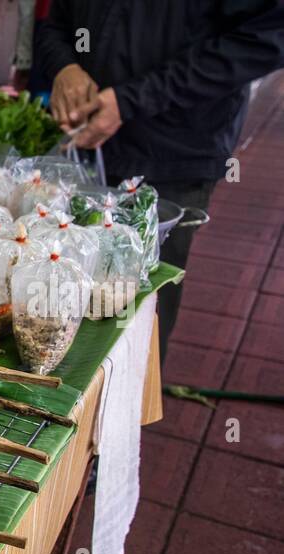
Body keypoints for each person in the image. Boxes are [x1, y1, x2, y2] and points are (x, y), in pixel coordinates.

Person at [36, 0, 284, 360]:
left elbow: (267, 39)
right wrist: (65, 65)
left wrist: (130, 101)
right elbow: (59, 21)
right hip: (88, 149)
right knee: (55, 300)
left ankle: (130, 415)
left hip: (172, 155)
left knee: (136, 326)